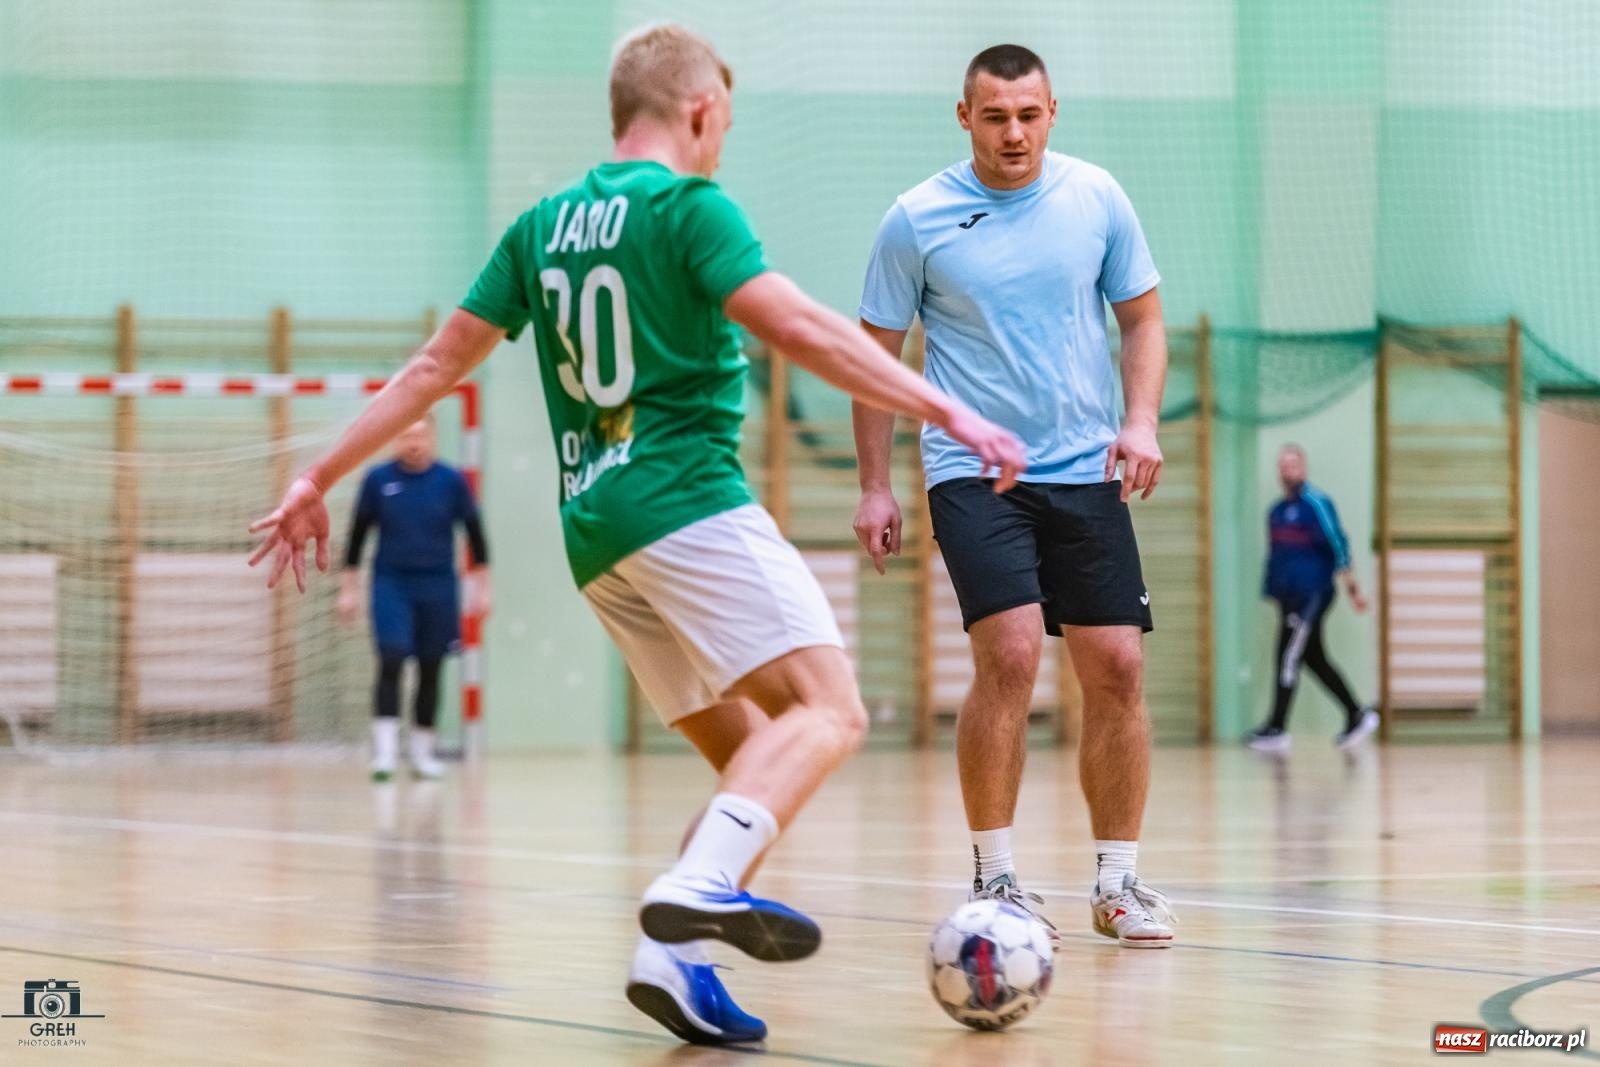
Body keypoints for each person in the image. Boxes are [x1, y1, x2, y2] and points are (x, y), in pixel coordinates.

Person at [248, 23, 1025, 1047]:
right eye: (724, 127)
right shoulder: (688, 207)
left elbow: (435, 365)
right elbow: (800, 328)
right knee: (830, 710)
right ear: (699, 112)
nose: (721, 146)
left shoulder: (543, 224)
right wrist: (952, 413)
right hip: (686, 499)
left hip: (598, 535)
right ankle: (696, 885)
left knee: (750, 749)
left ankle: (670, 957)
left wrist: (317, 473)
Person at [852, 44, 1176, 948]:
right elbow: (871, 360)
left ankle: (1118, 884)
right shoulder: (916, 219)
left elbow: (1143, 318)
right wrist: (876, 485)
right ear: (965, 118)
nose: (1013, 134)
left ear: (1052, 112)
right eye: (994, 117)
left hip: (1085, 468)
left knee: (1117, 664)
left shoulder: (1097, 198)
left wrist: (1140, 420)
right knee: (1013, 651)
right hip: (974, 470)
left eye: (1028, 115)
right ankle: (995, 878)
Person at [338, 414, 490, 781]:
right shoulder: (378, 480)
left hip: (438, 585)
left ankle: (423, 754)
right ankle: (386, 754)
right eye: (406, 434)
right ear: (395, 438)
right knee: (391, 657)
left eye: (421, 434)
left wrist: (483, 588)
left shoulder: (451, 481)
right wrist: (348, 589)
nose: (414, 442)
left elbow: (475, 534)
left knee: (431, 666)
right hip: (391, 583)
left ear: (434, 437)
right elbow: (357, 537)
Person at [1246, 444, 1379, 752]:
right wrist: (1274, 593)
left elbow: (1338, 544)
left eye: (1291, 464)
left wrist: (1353, 590)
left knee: (1288, 656)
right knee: (1313, 658)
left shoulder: (1316, 503)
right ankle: (1357, 713)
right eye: (1281, 465)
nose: (1286, 470)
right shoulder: (1277, 513)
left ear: (1303, 467)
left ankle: (1277, 727)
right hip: (1289, 599)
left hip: (1313, 595)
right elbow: (1276, 558)